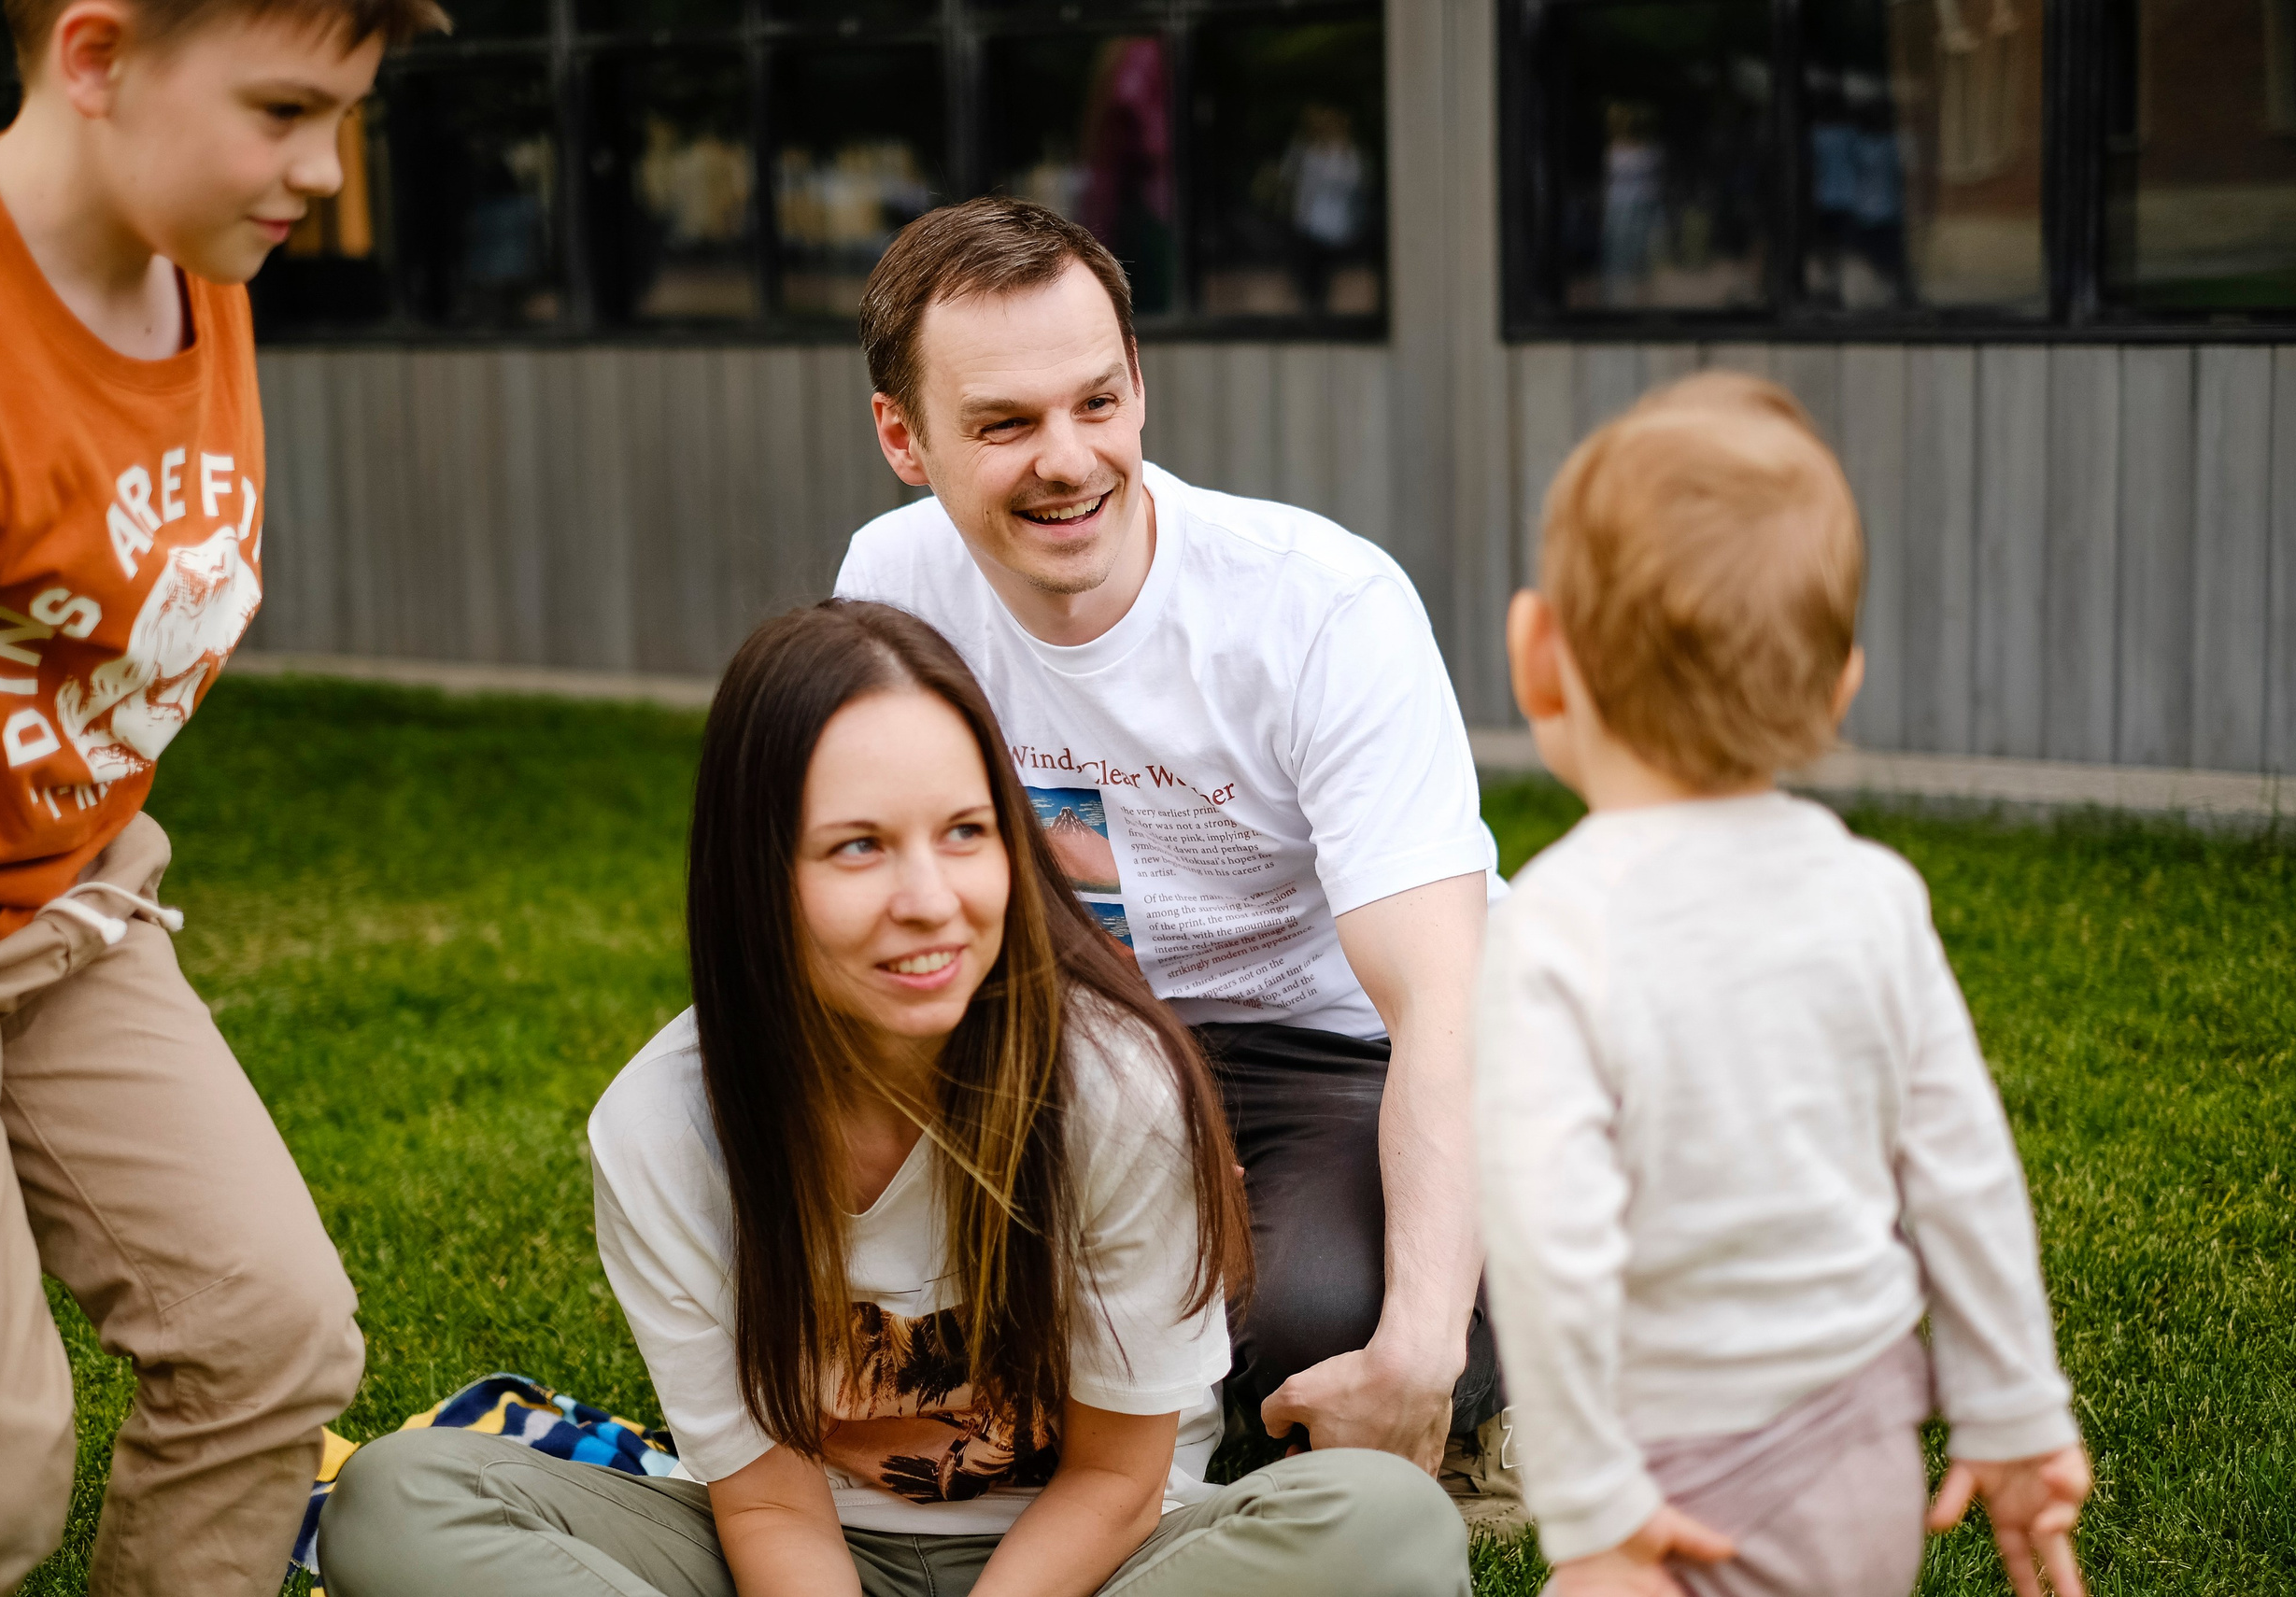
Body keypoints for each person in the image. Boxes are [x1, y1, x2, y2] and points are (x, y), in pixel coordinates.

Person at [316, 601, 1472, 1597]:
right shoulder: (663, 1127)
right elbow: (768, 1506)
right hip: (802, 1555)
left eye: (965, 834)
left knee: (1386, 1525)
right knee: (398, 1500)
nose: (930, 899)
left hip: (1095, 1562)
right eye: (859, 848)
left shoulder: (1116, 1090)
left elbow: (1120, 1483)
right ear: (758, 876)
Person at [829, 197, 1511, 1516]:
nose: (1069, 459)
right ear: (903, 436)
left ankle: (1520, 1320)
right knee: (971, 1322)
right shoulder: (888, 585)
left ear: (1142, 383)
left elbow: (1439, 998)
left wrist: (1422, 1352)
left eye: (1097, 401)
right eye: (1005, 423)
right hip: (1072, 1036)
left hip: (1330, 1041)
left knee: (1316, 1319)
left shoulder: (1319, 608)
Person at [0, 0, 442, 1588]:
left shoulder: (200, 260)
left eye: (341, 116)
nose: (322, 170)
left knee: (271, 1340)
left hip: (76, 906)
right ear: (94, 58)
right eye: (281, 112)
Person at [1474, 373, 2090, 1597]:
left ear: (1539, 655)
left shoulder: (1553, 926)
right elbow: (1964, 1171)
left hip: (1668, 1476)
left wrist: (1594, 1504)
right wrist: (2014, 1407)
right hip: (1865, 1444)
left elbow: (1550, 1244)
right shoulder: (1874, 894)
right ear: (1840, 684)